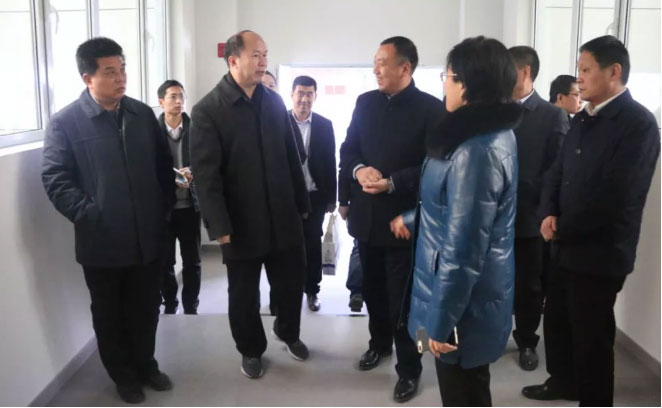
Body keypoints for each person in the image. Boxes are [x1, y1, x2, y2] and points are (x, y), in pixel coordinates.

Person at [523, 35, 660, 406]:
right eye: (578, 69)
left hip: (600, 252)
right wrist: (547, 212)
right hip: (563, 244)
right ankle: (562, 383)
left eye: (585, 70)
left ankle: (594, 400)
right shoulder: (583, 118)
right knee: (557, 322)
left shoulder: (638, 124)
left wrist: (563, 226)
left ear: (613, 72)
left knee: (591, 337)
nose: (578, 78)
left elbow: (620, 194)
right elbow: (557, 172)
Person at [41, 37, 175, 404]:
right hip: (101, 242)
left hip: (147, 236)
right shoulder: (65, 123)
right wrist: (90, 214)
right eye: (110, 72)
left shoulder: (141, 115)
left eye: (123, 70)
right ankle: (123, 376)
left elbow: (163, 167)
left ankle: (146, 365)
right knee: (109, 314)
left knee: (146, 307)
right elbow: (55, 178)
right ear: (88, 78)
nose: (121, 78)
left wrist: (161, 211)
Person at [391, 35, 520, 407]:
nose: (444, 85)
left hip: (461, 307)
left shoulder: (475, 151)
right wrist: (415, 217)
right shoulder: (485, 134)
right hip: (462, 296)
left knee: (463, 392)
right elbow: (462, 209)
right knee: (466, 387)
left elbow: (464, 251)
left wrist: (439, 323)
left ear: (468, 85)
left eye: (447, 77)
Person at [189, 30, 311, 379]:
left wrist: (302, 204)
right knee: (243, 294)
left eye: (265, 55)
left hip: (283, 215)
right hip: (240, 223)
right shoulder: (208, 110)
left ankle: (287, 331)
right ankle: (251, 349)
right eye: (256, 55)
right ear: (233, 60)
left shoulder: (272, 102)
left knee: (291, 283)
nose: (263, 62)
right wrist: (219, 226)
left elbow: (291, 156)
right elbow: (206, 175)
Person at [339, 36, 443, 402]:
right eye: (375, 62)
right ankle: (379, 344)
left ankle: (410, 369)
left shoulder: (431, 109)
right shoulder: (365, 102)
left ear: (405, 67)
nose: (376, 69)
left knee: (405, 301)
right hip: (367, 220)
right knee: (372, 290)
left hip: (405, 224)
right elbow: (348, 149)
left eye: (382, 63)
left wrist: (394, 182)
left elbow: (435, 166)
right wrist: (358, 170)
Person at [508, 46, 569, 371]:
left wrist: (545, 210)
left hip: (529, 218)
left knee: (529, 286)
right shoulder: (494, 112)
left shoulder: (551, 116)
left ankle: (527, 341)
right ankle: (492, 336)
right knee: (491, 283)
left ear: (525, 72)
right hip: (492, 217)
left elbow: (556, 170)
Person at [288, 75, 337, 312]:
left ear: (315, 96)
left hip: (315, 195)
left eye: (309, 94)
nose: (304, 99)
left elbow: (330, 162)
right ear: (292, 95)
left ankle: (312, 290)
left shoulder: (324, 125)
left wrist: (332, 198)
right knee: (288, 245)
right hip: (288, 198)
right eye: (300, 93)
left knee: (312, 243)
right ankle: (288, 290)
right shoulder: (280, 122)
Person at [157, 79, 202, 315]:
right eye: (173, 96)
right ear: (161, 101)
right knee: (165, 261)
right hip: (163, 208)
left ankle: (190, 306)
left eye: (181, 96)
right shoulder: (152, 132)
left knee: (192, 261)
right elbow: (147, 166)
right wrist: (171, 176)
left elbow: (208, 160)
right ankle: (170, 303)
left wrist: (193, 171)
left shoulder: (197, 129)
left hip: (190, 206)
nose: (178, 101)